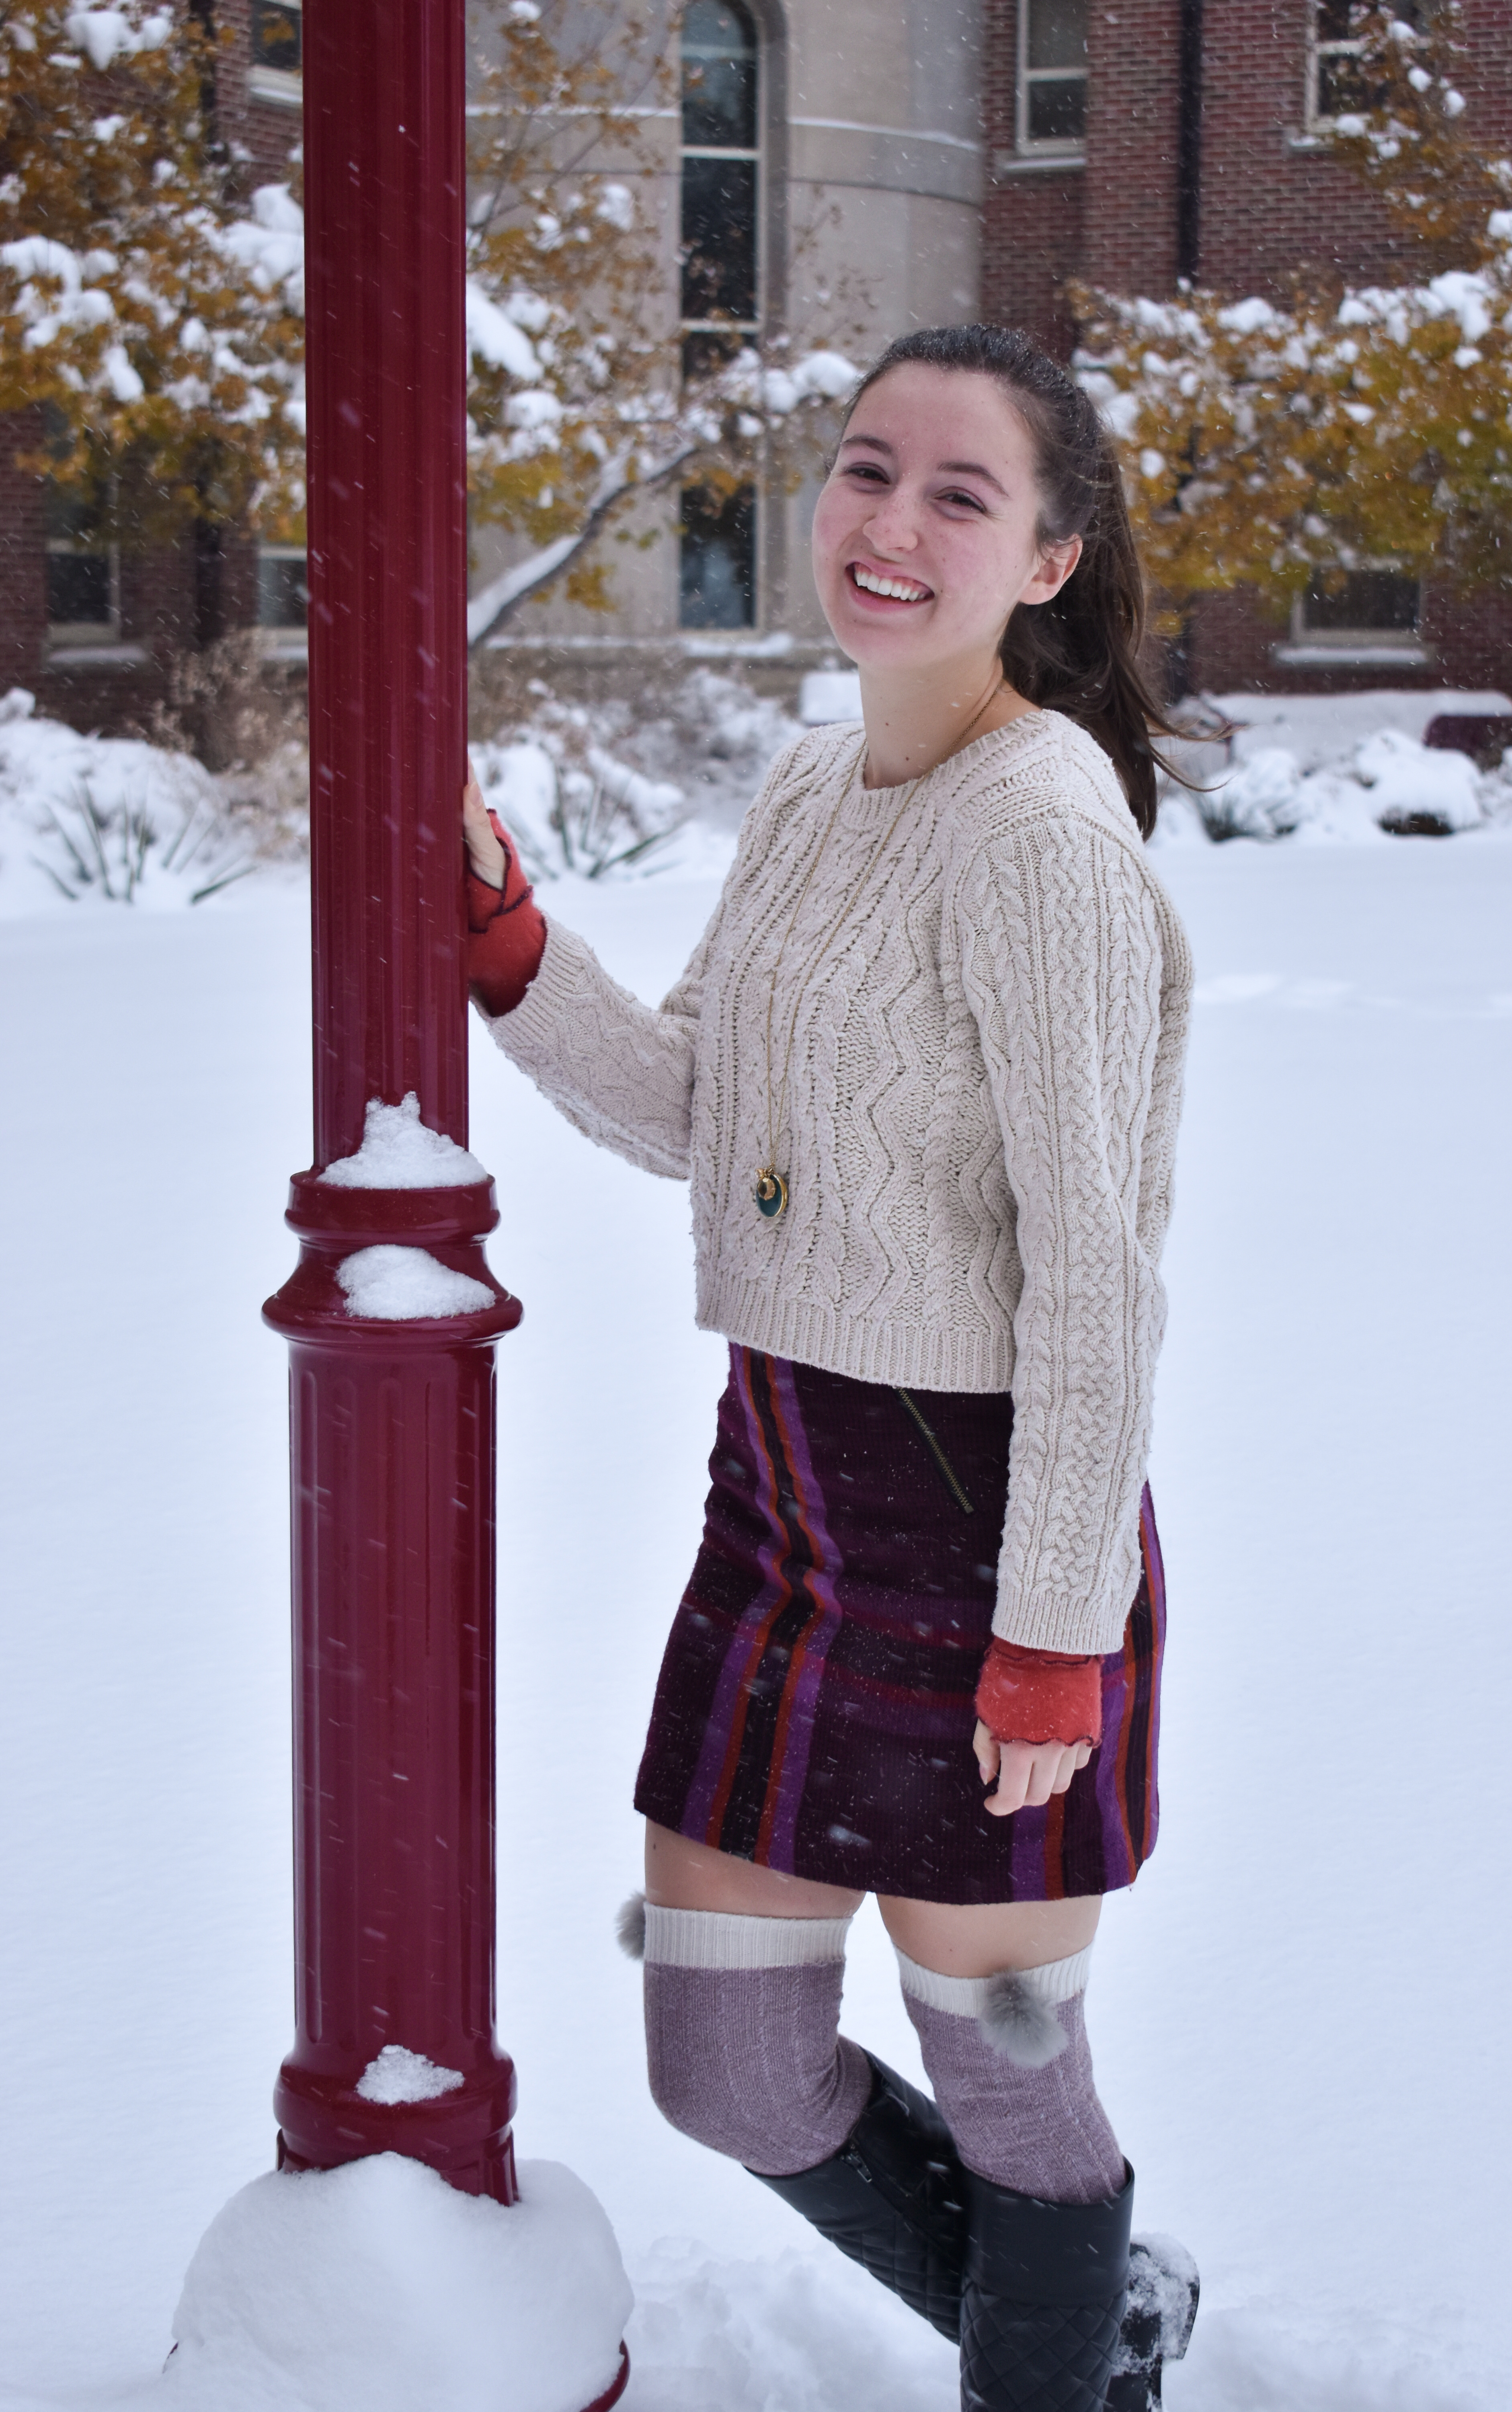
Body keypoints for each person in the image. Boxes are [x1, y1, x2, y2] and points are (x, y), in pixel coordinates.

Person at [462, 324, 1194, 2412]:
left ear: (1048, 558)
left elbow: (1097, 1279)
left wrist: (1057, 1632)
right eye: (867, 470)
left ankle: (1067, 2358)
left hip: (984, 1536)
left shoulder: (1040, 838)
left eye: (959, 493)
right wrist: (514, 945)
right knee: (727, 2062)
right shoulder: (810, 784)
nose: (889, 522)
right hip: (779, 1500)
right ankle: (1101, 2311)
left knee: (1010, 2080)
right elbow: (711, 1108)